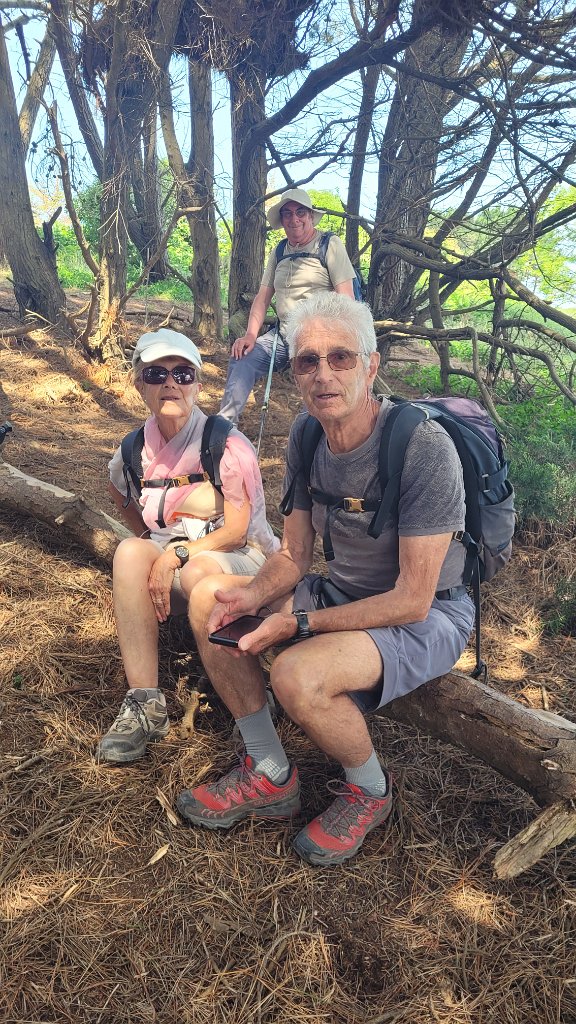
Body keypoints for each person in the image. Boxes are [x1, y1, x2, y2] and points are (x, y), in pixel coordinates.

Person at [176, 293, 476, 866]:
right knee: (211, 600)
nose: (323, 374)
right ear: (293, 373)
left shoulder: (423, 447)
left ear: (371, 365)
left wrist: (300, 623)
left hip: (429, 613)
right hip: (343, 593)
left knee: (296, 675)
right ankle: (269, 769)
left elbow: (412, 599)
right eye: (307, 361)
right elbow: (293, 553)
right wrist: (252, 595)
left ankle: (370, 790)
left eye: (340, 357)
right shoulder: (307, 434)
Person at [97, 328, 280, 764]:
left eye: (182, 374)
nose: (170, 384)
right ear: (139, 384)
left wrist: (175, 556)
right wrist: (151, 543)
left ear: (197, 383)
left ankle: (253, 694)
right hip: (175, 555)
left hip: (240, 560)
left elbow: (237, 532)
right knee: (129, 553)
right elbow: (119, 492)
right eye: (156, 374)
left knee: (199, 572)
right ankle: (145, 704)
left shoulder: (224, 443)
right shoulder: (133, 448)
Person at [219, 188, 356, 425]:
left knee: (318, 386)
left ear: (310, 216)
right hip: (282, 337)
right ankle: (224, 427)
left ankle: (312, 434)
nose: (294, 219)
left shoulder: (329, 244)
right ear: (282, 220)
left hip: (319, 338)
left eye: (300, 212)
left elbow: (346, 298)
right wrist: (250, 335)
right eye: (287, 214)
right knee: (243, 358)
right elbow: (263, 297)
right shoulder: (280, 251)